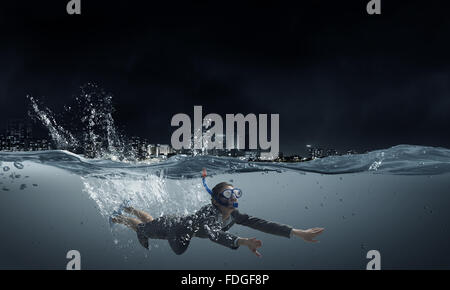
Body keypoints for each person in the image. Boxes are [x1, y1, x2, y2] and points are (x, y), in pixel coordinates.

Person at [110, 168, 324, 257]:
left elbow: (260, 223)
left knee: (151, 222)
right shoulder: (208, 214)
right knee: (143, 228)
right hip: (173, 227)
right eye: (228, 194)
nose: (233, 198)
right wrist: (241, 241)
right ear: (215, 201)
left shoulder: (234, 215)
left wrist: (297, 232)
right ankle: (118, 216)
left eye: (235, 193)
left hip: (174, 221)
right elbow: (215, 234)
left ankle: (127, 207)